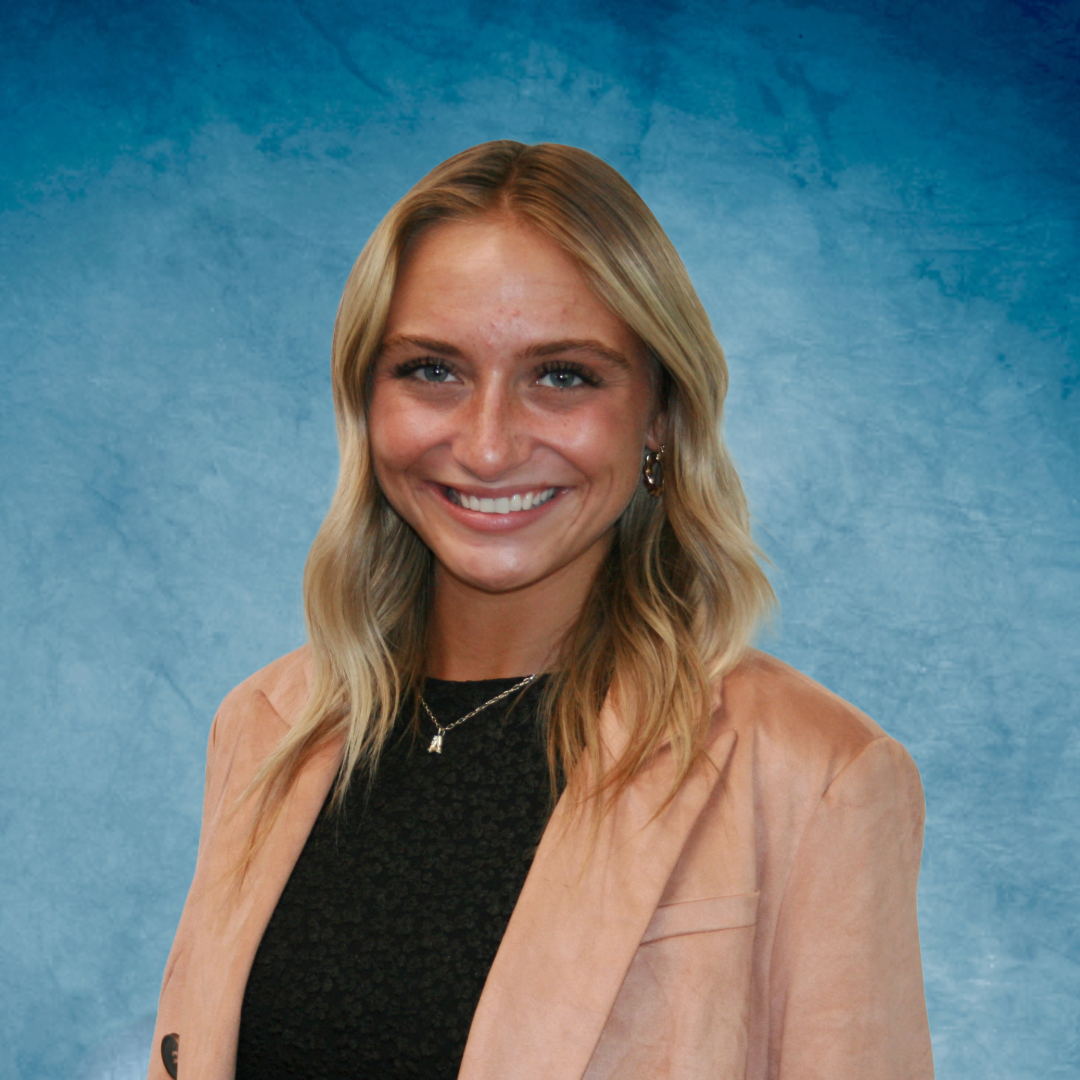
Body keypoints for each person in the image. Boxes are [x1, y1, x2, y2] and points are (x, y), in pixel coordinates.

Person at [148, 141, 933, 1080]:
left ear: (660, 418)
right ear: (366, 403)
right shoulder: (266, 729)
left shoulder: (817, 774)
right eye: (432, 369)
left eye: (562, 374)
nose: (486, 447)